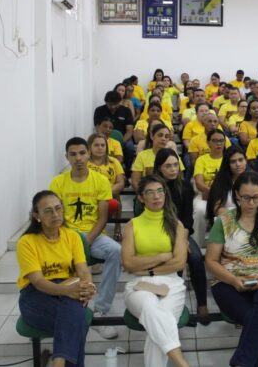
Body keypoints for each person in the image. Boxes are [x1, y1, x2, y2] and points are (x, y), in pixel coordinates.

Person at [205, 171, 258, 367]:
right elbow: (211, 261)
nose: (251, 202)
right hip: (227, 282)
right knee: (257, 318)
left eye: (256, 197)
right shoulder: (224, 221)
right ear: (236, 195)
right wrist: (233, 280)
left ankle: (241, 362)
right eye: (246, 197)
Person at [49, 137, 121, 339]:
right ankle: (57, 311)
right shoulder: (57, 182)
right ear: (67, 157)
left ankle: (101, 310)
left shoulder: (101, 181)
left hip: (93, 236)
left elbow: (103, 217)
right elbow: (56, 218)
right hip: (65, 235)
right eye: (73, 154)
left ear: (88, 154)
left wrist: (86, 241)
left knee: (116, 251)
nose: (78, 158)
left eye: (82, 153)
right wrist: (72, 241)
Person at [17, 190, 96, 367]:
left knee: (73, 316)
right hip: (35, 295)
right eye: (48, 210)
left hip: (68, 289)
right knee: (77, 320)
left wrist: (87, 286)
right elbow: (38, 282)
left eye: (58, 208)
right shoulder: (26, 242)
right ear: (36, 215)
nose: (55, 214)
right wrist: (68, 291)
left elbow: (83, 270)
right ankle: (59, 362)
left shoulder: (72, 236)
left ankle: (58, 362)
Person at [122, 175, 190, 367]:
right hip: (139, 285)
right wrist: (161, 257)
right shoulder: (132, 225)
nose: (156, 196)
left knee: (157, 327)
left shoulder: (176, 224)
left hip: (171, 284)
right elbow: (128, 263)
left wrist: (147, 270)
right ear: (141, 198)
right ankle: (182, 363)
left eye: (160, 191)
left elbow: (179, 263)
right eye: (150, 192)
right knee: (151, 309)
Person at [154, 149, 210, 325]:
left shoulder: (185, 187)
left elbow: (187, 218)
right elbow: (153, 219)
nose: (173, 169)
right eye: (168, 166)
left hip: (181, 233)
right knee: (176, 261)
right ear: (159, 168)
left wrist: (182, 240)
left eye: (175, 165)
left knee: (195, 258)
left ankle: (202, 304)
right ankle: (176, 306)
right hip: (159, 234)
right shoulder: (153, 188)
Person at [87, 133, 125, 239]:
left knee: (116, 199)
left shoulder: (114, 161)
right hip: (89, 194)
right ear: (89, 147)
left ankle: (117, 227)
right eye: (96, 145)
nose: (100, 148)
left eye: (102, 145)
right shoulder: (85, 163)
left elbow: (120, 183)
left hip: (110, 194)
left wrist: (105, 193)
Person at [192, 129, 226, 247]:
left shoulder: (229, 159)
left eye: (221, 141)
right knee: (200, 210)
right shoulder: (201, 160)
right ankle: (196, 245)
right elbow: (199, 182)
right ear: (208, 142)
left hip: (226, 196)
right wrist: (211, 191)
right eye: (215, 141)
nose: (218, 144)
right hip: (206, 194)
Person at [131, 123, 183, 191]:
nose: (163, 139)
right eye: (160, 135)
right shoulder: (142, 155)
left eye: (166, 136)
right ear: (152, 136)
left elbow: (180, 178)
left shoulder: (173, 155)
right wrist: (143, 195)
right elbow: (135, 181)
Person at [93, 91, 135, 168]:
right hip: (103, 137)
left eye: (115, 104)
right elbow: (98, 128)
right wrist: (103, 140)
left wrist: (121, 142)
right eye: (110, 104)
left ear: (120, 102)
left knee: (130, 148)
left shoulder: (126, 111)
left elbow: (129, 131)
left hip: (124, 137)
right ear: (106, 102)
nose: (112, 107)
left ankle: (128, 169)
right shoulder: (99, 110)